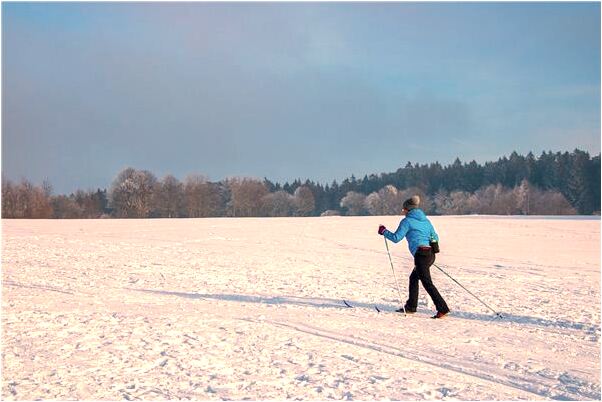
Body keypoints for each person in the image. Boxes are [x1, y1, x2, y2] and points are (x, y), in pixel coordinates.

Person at [378, 195, 450, 319]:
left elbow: (396, 238)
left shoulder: (407, 221)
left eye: (403, 210)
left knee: (427, 283)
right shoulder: (426, 221)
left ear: (408, 209)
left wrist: (384, 231)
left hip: (421, 255)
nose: (403, 212)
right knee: (413, 278)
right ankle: (411, 306)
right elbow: (435, 237)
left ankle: (442, 309)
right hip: (430, 254)